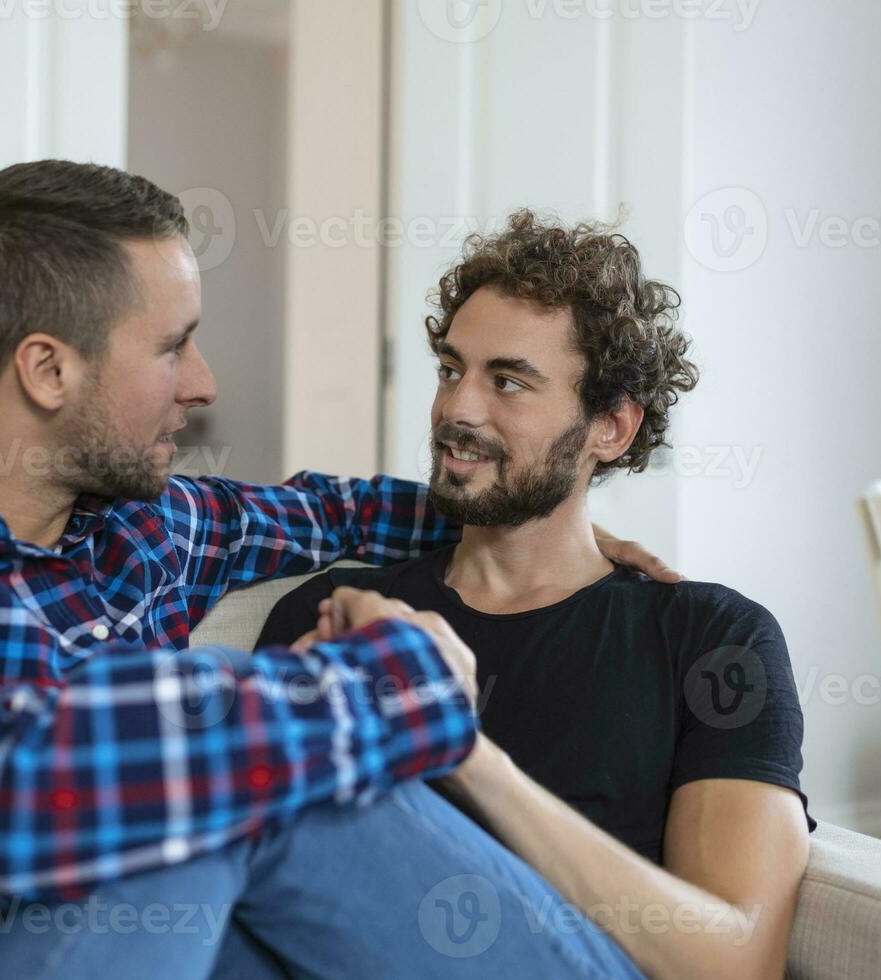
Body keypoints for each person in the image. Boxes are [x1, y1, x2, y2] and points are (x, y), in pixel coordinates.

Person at [0, 162, 672, 978]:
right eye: (173, 346)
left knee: (208, 775)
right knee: (200, 747)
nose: (205, 384)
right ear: (49, 372)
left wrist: (541, 512)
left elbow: (334, 510)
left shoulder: (147, 529)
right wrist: (386, 689)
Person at [259, 210, 814, 980]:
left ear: (611, 428)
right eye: (451, 369)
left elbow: (737, 962)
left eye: (508, 381)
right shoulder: (337, 611)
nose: (458, 409)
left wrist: (458, 750)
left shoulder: (710, 636)